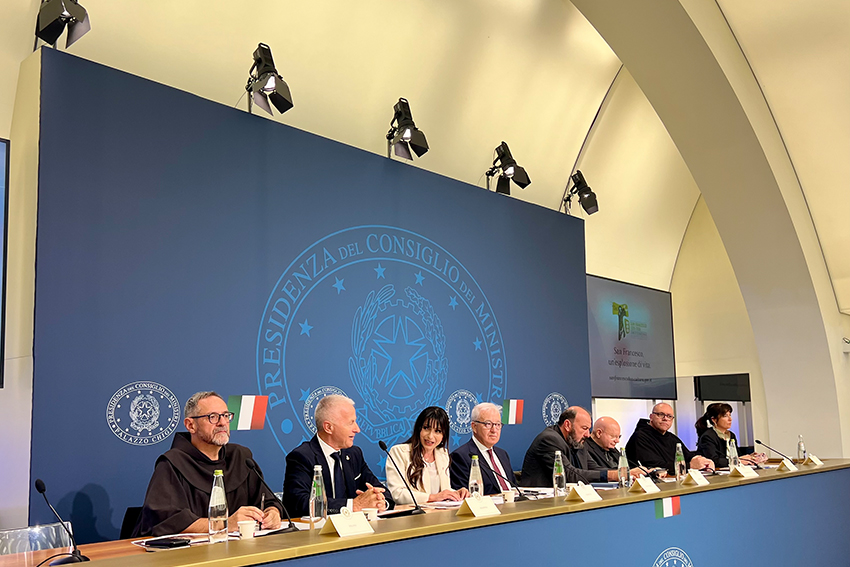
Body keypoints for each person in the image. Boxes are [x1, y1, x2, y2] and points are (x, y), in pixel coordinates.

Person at [134, 391, 282, 537]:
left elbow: (268, 501)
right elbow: (165, 521)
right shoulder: (172, 463)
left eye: (225, 416)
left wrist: (273, 513)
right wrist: (225, 524)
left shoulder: (241, 457)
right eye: (213, 417)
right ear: (191, 425)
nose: (222, 423)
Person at [282, 395, 394, 516]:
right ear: (328, 427)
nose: (357, 429)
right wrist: (352, 506)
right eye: (351, 423)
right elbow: (298, 502)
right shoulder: (302, 457)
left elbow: (381, 490)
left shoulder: (354, 454)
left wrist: (381, 502)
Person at [520, 407, 643, 486]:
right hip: (538, 503)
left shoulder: (576, 441)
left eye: (588, 429)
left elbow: (593, 468)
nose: (588, 434)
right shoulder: (549, 439)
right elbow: (568, 474)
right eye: (584, 428)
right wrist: (613, 475)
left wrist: (622, 473)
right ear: (567, 425)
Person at [385, 407, 470, 504]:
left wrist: (456, 493)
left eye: (438, 431)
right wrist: (432, 497)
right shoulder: (399, 452)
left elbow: (442, 492)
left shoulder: (443, 454)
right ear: (419, 429)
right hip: (413, 512)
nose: (430, 436)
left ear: (443, 435)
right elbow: (397, 493)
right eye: (426, 428)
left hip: (440, 512)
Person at [625, 403, 713, 474]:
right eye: (661, 415)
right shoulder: (640, 437)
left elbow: (687, 455)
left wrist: (704, 461)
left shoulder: (671, 437)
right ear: (651, 417)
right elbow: (653, 466)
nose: (665, 419)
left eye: (669, 416)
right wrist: (689, 466)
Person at [449, 403, 515, 495]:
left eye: (497, 424)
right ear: (474, 427)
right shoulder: (460, 457)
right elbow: (464, 496)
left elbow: (514, 488)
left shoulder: (502, 454)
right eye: (488, 424)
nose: (494, 430)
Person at [696, 403, 764, 468]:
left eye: (730, 415)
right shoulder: (708, 436)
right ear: (714, 420)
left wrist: (751, 457)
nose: (730, 419)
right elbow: (714, 461)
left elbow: (737, 455)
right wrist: (738, 460)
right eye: (725, 416)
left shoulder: (731, 435)